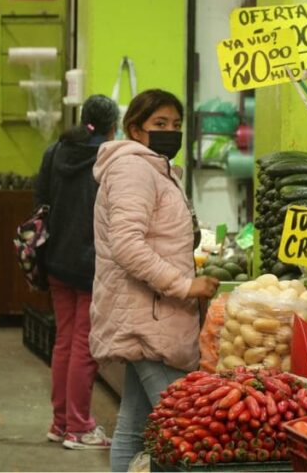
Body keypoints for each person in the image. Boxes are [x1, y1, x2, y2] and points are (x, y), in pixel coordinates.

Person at [90, 89, 220, 473]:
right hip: (148, 317)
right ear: (135, 129)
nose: (170, 132)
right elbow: (127, 245)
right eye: (159, 124)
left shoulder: (155, 168)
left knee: (134, 426)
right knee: (186, 424)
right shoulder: (134, 169)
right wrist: (184, 285)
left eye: (176, 125)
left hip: (150, 316)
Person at [34, 95, 120, 451]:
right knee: (84, 346)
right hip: (90, 264)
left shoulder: (56, 151)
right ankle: (80, 428)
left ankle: (60, 422)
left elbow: (39, 198)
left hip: (55, 259)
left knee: (65, 341)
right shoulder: (110, 158)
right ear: (112, 125)